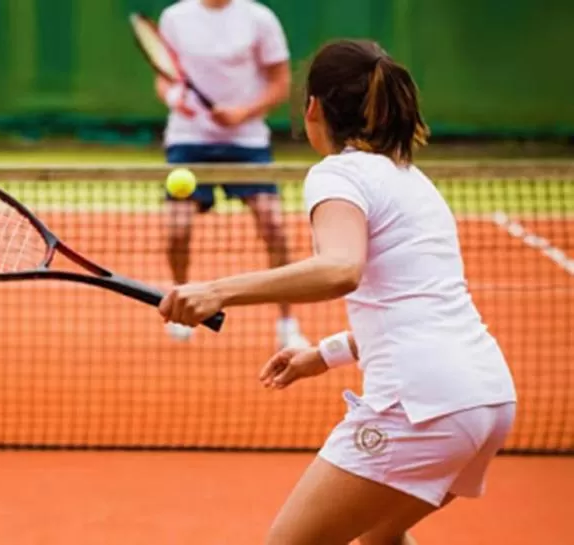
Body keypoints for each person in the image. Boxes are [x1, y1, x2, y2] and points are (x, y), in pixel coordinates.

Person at [157, 39, 518, 545]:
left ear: (313, 108)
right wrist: (324, 355)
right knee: (380, 540)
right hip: (485, 400)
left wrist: (218, 290)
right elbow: (414, 303)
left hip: (422, 405)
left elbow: (340, 269)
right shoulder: (411, 179)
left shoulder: (338, 174)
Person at [155, 0, 308, 348]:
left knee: (273, 226)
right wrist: (173, 98)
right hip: (188, 140)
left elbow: (280, 84)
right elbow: (165, 80)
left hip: (246, 140)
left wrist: (243, 113)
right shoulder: (174, 17)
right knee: (177, 230)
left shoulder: (259, 18)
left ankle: (287, 323)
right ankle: (182, 307)